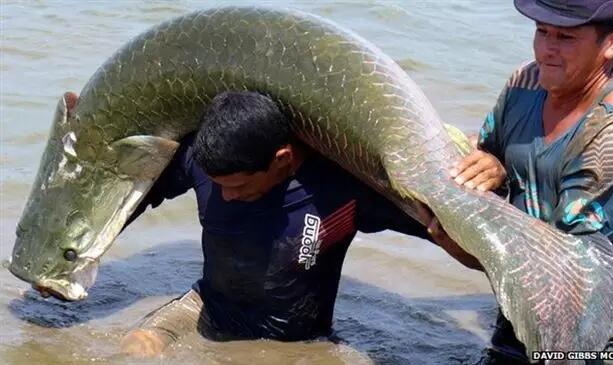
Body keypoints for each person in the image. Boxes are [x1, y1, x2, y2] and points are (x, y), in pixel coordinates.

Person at [118, 91, 480, 357]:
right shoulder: (202, 160)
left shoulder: (345, 187)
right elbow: (126, 198)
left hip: (300, 342)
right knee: (132, 350)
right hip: (206, 309)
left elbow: (472, 251)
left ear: (282, 159)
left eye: (240, 186)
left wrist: (452, 234)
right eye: (218, 186)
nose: (226, 197)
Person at [420, 1, 613, 363]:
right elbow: (488, 149)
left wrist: (462, 249)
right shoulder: (525, 84)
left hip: (602, 339)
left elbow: (563, 280)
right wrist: (495, 164)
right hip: (523, 316)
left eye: (566, 37)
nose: (547, 50)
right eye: (542, 31)